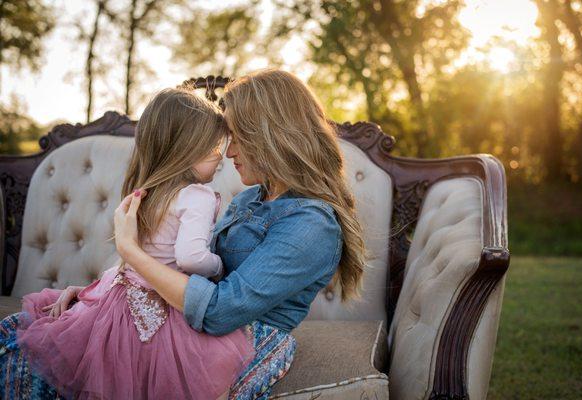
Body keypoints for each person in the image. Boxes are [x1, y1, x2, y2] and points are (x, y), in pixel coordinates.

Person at [0, 68, 366, 400]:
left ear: (272, 137)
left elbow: (221, 310)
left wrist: (131, 250)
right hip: (183, 321)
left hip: (236, 343)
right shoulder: (254, 198)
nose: (229, 152)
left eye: (238, 138)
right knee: (22, 331)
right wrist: (104, 296)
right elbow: (184, 267)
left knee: (27, 356)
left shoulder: (311, 225)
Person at [12, 88, 255, 400]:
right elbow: (192, 259)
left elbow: (131, 260)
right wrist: (220, 266)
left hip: (117, 303)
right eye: (213, 148)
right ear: (187, 150)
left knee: (112, 376)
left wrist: (90, 292)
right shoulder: (198, 196)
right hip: (165, 307)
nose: (221, 157)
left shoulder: (143, 193)